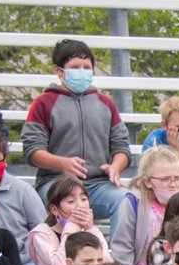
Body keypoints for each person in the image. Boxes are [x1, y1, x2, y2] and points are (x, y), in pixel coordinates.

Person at [19, 39, 131, 226]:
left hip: (98, 186)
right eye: (75, 67)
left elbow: (121, 147)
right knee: (69, 205)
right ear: (58, 70)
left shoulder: (106, 103)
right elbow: (32, 151)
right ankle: (60, 254)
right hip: (55, 184)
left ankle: (117, 256)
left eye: (87, 67)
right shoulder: (43, 103)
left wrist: (115, 167)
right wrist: (61, 163)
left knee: (126, 199)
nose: (82, 72)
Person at [23, 175, 94, 265]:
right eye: (71, 201)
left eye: (84, 199)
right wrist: (71, 227)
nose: (80, 206)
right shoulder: (41, 234)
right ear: (54, 209)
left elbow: (107, 264)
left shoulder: (88, 230)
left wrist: (91, 229)